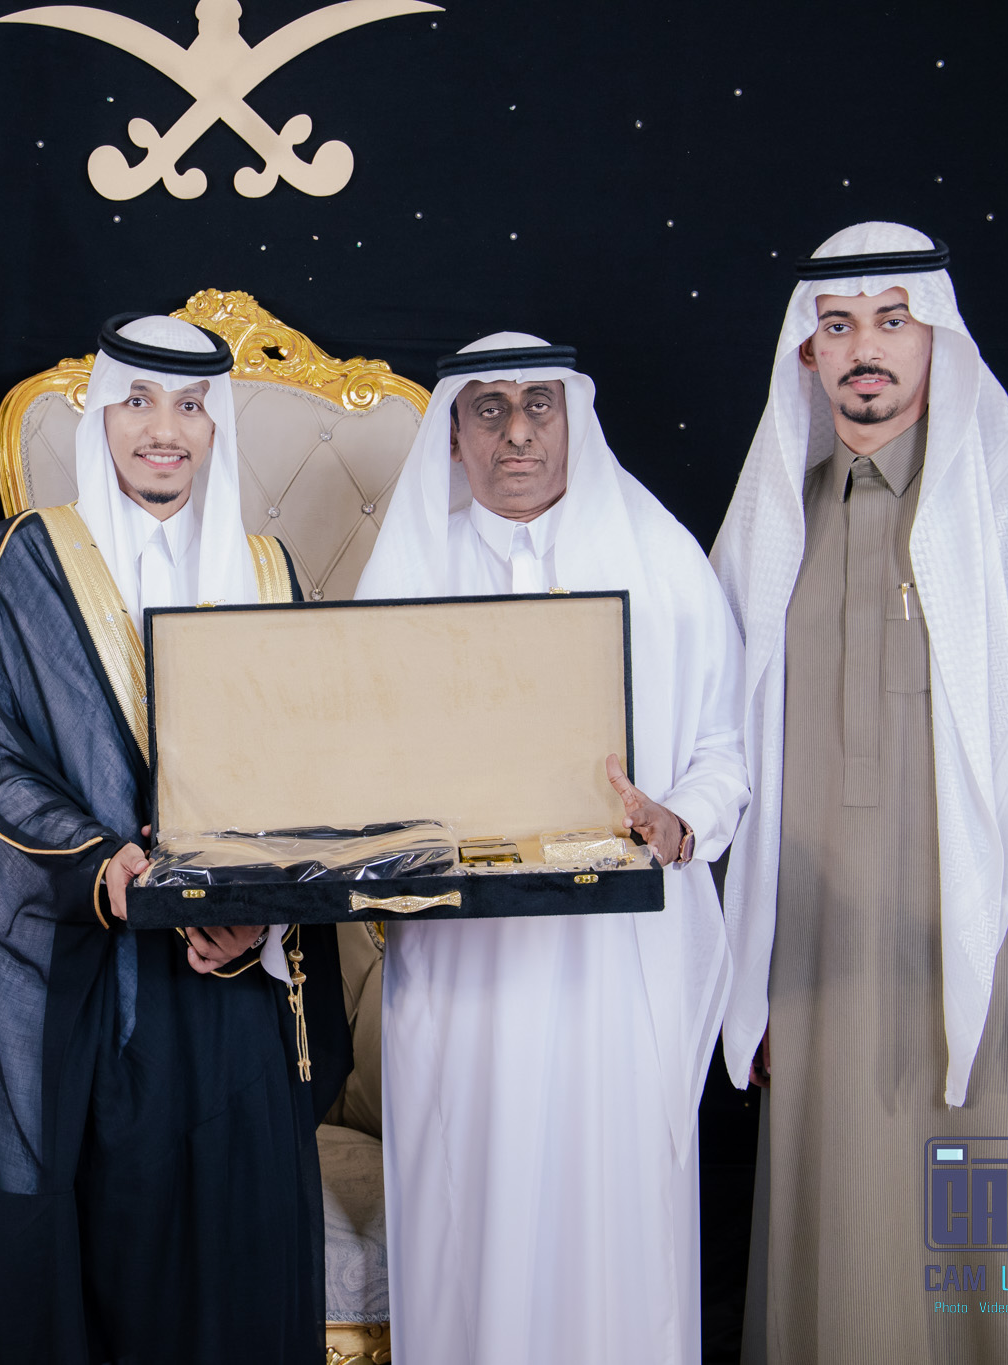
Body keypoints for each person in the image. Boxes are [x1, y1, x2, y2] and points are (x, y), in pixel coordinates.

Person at [713, 222, 1008, 1362]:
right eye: (838, 325)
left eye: (893, 321)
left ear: (937, 336)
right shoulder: (769, 529)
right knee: (846, 1279)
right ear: (805, 353)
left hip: (995, 984)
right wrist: (744, 985)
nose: (866, 349)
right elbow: (721, 766)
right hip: (817, 987)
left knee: (1006, 1286)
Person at [0, 313, 350, 1364]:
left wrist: (259, 916)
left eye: (191, 406)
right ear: (101, 416)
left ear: (215, 427)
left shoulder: (269, 571)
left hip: (238, 988)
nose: (164, 429)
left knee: (236, 1268)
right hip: (94, 986)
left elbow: (310, 774)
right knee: (114, 1265)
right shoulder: (22, 560)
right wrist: (98, 861)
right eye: (139, 402)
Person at [356, 334, 749, 1364]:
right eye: (487, 408)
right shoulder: (410, 570)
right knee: (470, 1209)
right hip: (465, 963)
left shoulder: (659, 559)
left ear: (575, 419)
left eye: (539, 404)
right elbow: (355, 760)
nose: (517, 431)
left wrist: (680, 819)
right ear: (453, 434)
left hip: (613, 966)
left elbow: (724, 747)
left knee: (610, 1215)